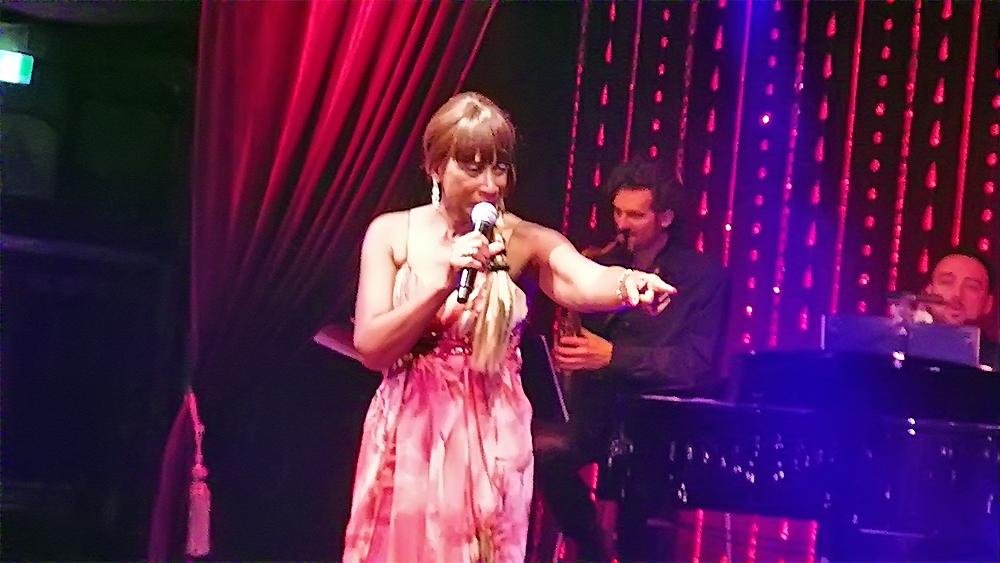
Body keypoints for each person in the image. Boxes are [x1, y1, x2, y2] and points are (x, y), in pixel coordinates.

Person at [342, 92, 676, 562]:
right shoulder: (392, 234)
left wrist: (628, 284)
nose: (490, 184)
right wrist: (439, 285)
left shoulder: (521, 239)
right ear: (435, 167)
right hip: (411, 427)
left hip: (490, 429)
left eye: (499, 169)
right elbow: (372, 347)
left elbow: (582, 278)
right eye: (473, 167)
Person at [538, 156, 729, 560]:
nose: (622, 225)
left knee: (639, 529)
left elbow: (695, 366)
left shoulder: (703, 277)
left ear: (666, 217)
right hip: (597, 417)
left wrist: (613, 356)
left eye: (636, 215)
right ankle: (591, 546)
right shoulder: (601, 265)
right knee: (538, 452)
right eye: (617, 212)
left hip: (657, 430)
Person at [924, 249, 998, 369]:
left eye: (971, 287)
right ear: (929, 292)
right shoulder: (904, 350)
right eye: (947, 282)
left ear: (988, 303)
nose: (957, 295)